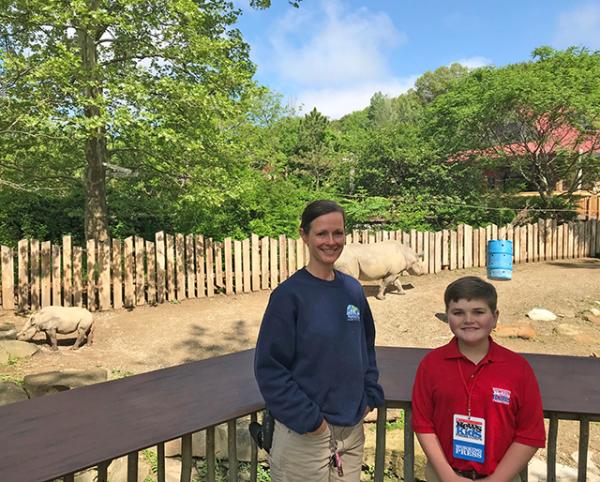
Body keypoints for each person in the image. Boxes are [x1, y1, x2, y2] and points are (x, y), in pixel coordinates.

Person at [254, 199, 384, 482]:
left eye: (338, 233)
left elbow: (366, 348)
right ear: (304, 236)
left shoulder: (352, 290)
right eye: (322, 233)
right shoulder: (288, 296)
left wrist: (369, 396)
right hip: (304, 436)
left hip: (351, 432)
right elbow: (270, 369)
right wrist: (314, 424)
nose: (331, 241)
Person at [412, 276, 546, 482]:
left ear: (494, 317)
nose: (468, 320)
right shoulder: (431, 364)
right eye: (458, 313)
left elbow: (530, 434)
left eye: (478, 312)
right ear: (447, 316)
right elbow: (423, 423)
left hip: (502, 477)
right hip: (443, 476)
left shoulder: (518, 369)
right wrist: (448, 476)